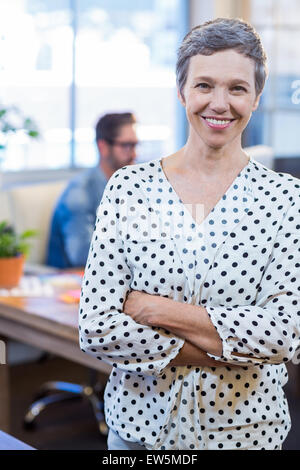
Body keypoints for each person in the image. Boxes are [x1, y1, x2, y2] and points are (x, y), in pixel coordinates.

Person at [78, 18, 300, 450]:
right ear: (182, 92)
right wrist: (229, 345)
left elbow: (282, 334)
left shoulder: (287, 198)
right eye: (204, 86)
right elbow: (96, 327)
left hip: (245, 436)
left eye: (237, 88)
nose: (220, 103)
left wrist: (155, 309)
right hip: (138, 433)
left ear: (256, 98)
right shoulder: (130, 189)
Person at [46, 112, 138, 268]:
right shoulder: (79, 192)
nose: (134, 154)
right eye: (126, 146)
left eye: (135, 145)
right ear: (103, 147)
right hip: (75, 282)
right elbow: (82, 255)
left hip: (117, 278)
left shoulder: (128, 187)